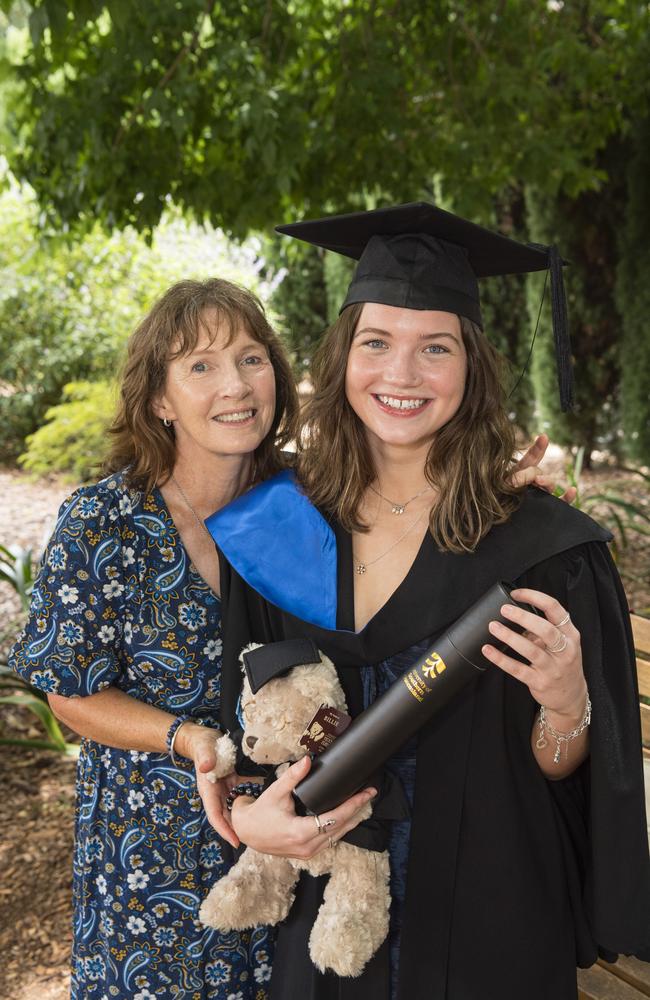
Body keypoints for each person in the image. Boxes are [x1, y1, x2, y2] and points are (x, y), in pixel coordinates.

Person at [207, 205, 650, 1000]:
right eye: (376, 343)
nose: (401, 375)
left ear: (472, 367)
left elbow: (565, 770)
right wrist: (251, 817)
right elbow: (250, 731)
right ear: (344, 356)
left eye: (434, 348)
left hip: (493, 915)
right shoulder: (281, 526)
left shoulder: (548, 551)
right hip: (324, 907)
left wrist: (566, 702)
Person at [9, 278, 299, 1000]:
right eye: (200, 365)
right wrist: (191, 739)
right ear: (160, 400)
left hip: (288, 843)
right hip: (153, 854)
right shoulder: (102, 523)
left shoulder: (301, 509)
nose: (234, 384)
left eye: (250, 358)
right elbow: (67, 695)